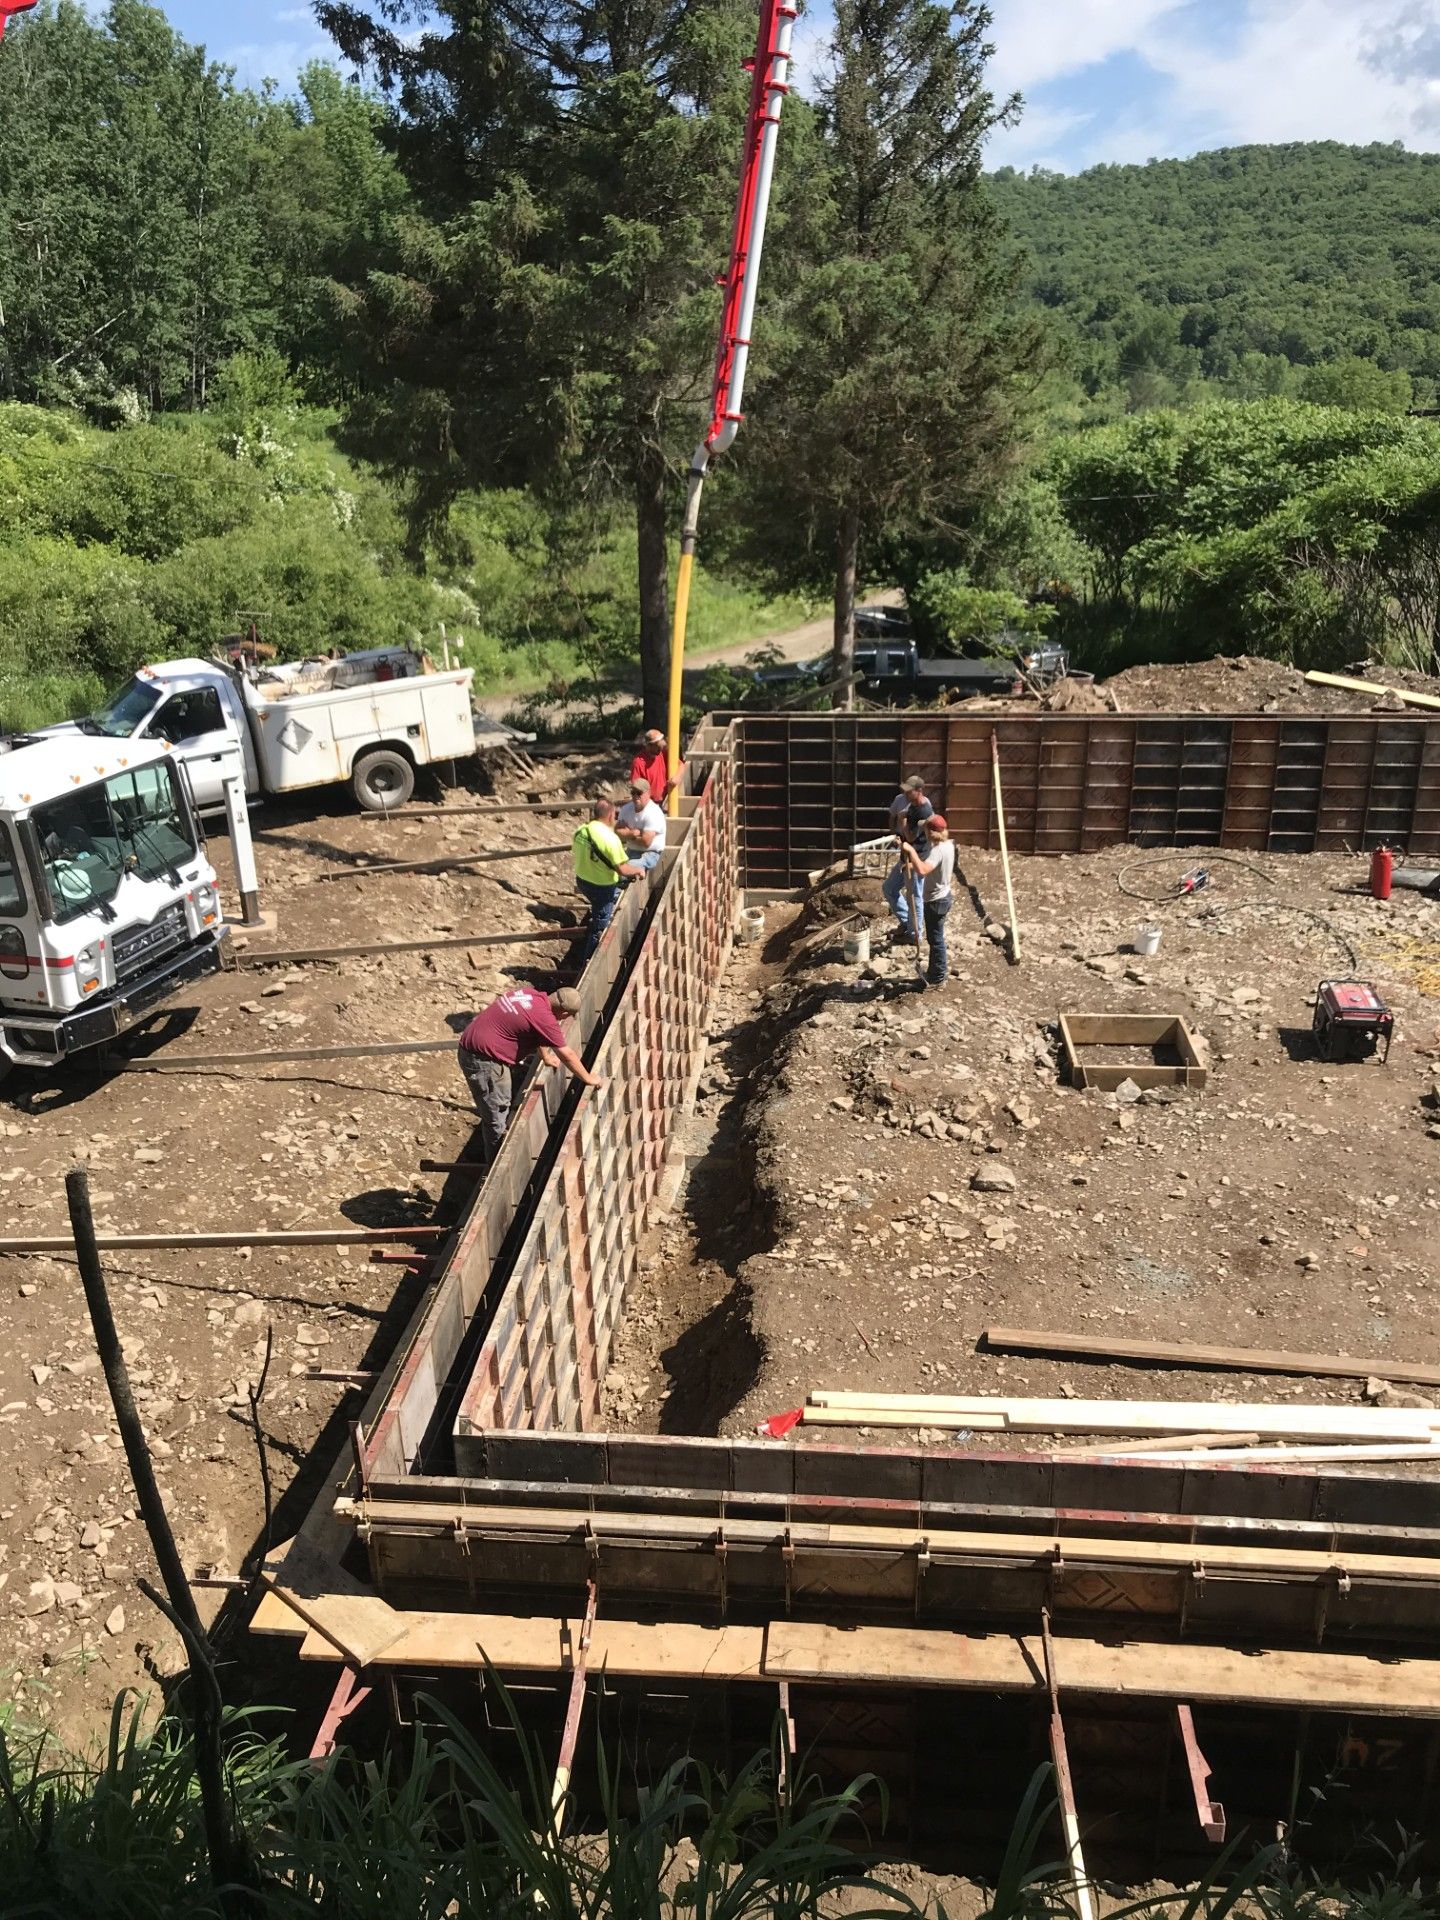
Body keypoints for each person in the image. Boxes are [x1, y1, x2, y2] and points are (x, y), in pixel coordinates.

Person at [457, 985, 603, 1161]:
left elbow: (535, 1030)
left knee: (499, 1105)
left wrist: (545, 1056)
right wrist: (588, 1078)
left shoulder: (531, 994)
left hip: (478, 1047)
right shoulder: (545, 1018)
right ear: (564, 1014)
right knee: (496, 1114)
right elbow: (567, 1055)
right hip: (483, 1061)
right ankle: (495, 1164)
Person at [898, 813, 956, 987]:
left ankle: (937, 977)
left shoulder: (938, 851)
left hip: (936, 901)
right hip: (943, 896)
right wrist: (911, 864)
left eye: (925, 828)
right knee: (936, 938)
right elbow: (928, 866)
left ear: (930, 831)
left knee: (936, 940)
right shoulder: (947, 845)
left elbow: (923, 870)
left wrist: (910, 851)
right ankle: (935, 972)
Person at [572, 798, 627, 958]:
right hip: (601, 887)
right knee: (600, 925)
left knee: (604, 901)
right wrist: (638, 871)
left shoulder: (581, 831)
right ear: (610, 815)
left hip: (583, 881)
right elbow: (623, 869)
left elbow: (577, 852)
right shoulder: (610, 839)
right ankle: (590, 958)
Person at [882, 774, 934, 938]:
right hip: (906, 856)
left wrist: (903, 822)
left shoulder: (924, 811)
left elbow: (911, 837)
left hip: (917, 859)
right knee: (889, 888)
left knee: (915, 895)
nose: (906, 795)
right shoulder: (913, 804)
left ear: (919, 791)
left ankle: (915, 933)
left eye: (909, 792)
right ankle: (908, 923)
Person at [616, 776, 667, 878]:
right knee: (613, 868)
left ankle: (615, 893)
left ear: (648, 793)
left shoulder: (653, 813)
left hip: (650, 854)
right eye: (633, 793)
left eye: (639, 793)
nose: (635, 796)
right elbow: (617, 832)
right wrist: (634, 833)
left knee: (624, 872)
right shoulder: (626, 809)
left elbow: (646, 842)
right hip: (631, 850)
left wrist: (627, 833)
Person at [631, 727, 679, 805]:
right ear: (649, 745)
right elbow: (636, 787)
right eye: (657, 748)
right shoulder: (638, 762)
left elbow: (681, 765)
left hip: (665, 800)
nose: (660, 750)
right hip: (650, 803)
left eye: (661, 748)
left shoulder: (662, 754)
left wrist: (677, 778)